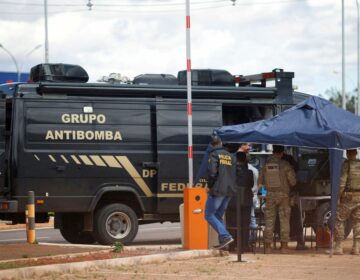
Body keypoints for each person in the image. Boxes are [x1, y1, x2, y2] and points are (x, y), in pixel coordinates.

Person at [258, 145, 297, 254]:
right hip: (284, 196)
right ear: (282, 153)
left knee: (269, 221)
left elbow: (260, 182)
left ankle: (268, 247)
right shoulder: (285, 165)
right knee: (284, 220)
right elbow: (293, 182)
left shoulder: (266, 165)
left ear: (273, 152)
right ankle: (284, 247)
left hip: (270, 195)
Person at [204, 135, 237, 249]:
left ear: (211, 145)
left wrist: (209, 186)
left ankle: (225, 236)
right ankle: (224, 243)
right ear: (221, 143)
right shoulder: (231, 156)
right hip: (229, 190)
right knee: (218, 215)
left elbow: (212, 172)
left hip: (218, 190)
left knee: (208, 214)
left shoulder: (213, 154)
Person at [333, 149, 360, 255]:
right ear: (356, 153)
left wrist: (337, 196)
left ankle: (338, 246)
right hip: (359, 196)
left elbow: (342, 182)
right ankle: (356, 247)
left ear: (348, 154)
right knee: (357, 221)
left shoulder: (346, 165)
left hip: (348, 197)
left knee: (339, 219)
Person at [226, 152, 254, 252]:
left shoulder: (229, 171)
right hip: (246, 201)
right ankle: (244, 246)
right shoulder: (249, 172)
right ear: (245, 160)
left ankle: (232, 245)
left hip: (231, 201)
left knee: (232, 223)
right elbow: (251, 185)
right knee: (245, 224)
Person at [282, 152, 307, 250]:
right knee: (296, 219)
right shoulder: (290, 168)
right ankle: (300, 243)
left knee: (279, 220)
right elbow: (294, 183)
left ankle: (278, 245)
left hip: (275, 198)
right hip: (291, 198)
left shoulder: (272, 165)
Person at [237, 143, 259, 231]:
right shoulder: (253, 170)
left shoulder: (236, 170)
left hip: (240, 197)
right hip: (251, 196)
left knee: (242, 219)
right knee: (251, 217)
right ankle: (252, 239)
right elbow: (254, 183)